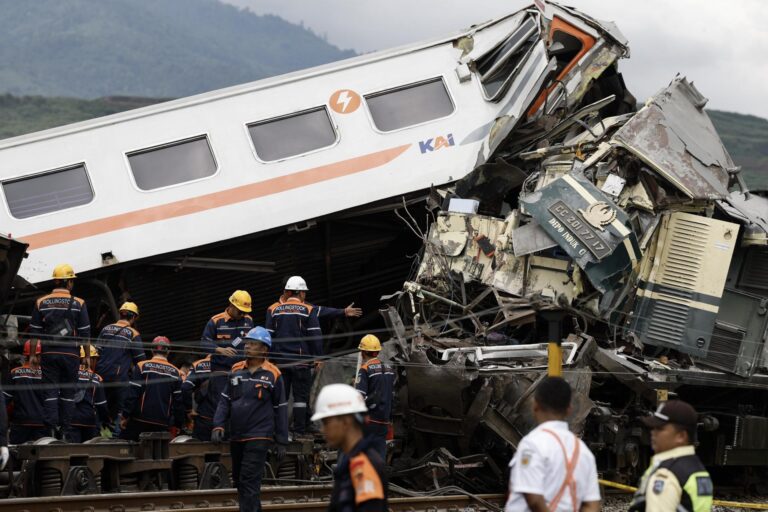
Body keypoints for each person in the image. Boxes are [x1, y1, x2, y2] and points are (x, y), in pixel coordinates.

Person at [212, 327, 288, 512]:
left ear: (264, 349)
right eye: (247, 343)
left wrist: (282, 440)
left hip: (259, 436)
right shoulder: (236, 369)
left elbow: (281, 409)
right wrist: (218, 425)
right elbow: (225, 400)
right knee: (239, 480)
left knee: (248, 480)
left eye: (253, 344)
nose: (247, 347)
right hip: (237, 436)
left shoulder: (273, 374)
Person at [505, 376, 601, 512]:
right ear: (569, 409)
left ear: (535, 405)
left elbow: (534, 498)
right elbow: (592, 505)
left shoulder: (531, 445)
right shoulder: (583, 452)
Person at [28, 263, 91, 439]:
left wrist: (33, 354)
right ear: (69, 283)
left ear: (55, 282)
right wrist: (86, 355)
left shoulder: (41, 302)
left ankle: (50, 429)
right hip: (71, 354)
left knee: (50, 391)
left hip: (49, 354)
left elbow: (34, 332)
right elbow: (85, 332)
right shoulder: (79, 303)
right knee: (68, 393)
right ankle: (64, 430)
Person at [312, 383, 387, 512]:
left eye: (326, 422)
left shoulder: (363, 466)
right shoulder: (351, 462)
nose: (322, 429)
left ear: (346, 422)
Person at [629, 400, 713, 512]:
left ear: (681, 436)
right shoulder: (698, 470)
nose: (653, 432)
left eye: (659, 428)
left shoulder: (665, 474)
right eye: (652, 428)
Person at [265, 276, 321, 435]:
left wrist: (269, 359)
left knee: (280, 398)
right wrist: (318, 357)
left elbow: (269, 336)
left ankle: (278, 431)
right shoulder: (308, 310)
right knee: (300, 400)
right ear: (301, 293)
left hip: (280, 364)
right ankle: (299, 432)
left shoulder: (273, 309)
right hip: (301, 363)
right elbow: (315, 336)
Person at [119, 336, 185, 441]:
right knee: (158, 454)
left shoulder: (141, 366)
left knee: (125, 448)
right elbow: (178, 402)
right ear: (168, 352)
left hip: (139, 420)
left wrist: (125, 415)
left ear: (151, 350)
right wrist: (178, 424)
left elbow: (133, 394)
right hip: (162, 424)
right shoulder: (176, 372)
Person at [94, 301, 146, 433]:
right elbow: (141, 362)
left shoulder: (106, 329)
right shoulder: (133, 334)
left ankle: (94, 437)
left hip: (101, 376)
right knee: (121, 409)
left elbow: (96, 353)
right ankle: (117, 438)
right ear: (133, 317)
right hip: (119, 379)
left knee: (99, 406)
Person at [354, 334, 394, 461]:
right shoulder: (389, 368)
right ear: (377, 351)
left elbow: (359, 397)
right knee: (379, 452)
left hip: (370, 420)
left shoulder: (365, 369)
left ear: (363, 352)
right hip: (384, 420)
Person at [3, 340, 48, 443]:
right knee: (40, 456)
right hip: (41, 424)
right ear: (39, 355)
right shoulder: (48, 375)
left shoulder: (15, 373)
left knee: (17, 455)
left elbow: (5, 400)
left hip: (20, 423)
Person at [68, 345, 109, 443]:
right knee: (90, 453)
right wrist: (106, 421)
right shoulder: (97, 379)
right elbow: (101, 405)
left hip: (70, 420)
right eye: (95, 359)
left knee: (71, 452)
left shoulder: (68, 375)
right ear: (91, 360)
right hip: (90, 422)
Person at [182, 354, 216, 441]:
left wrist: (189, 410)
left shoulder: (198, 365)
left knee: (200, 449)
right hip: (225, 419)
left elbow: (185, 388)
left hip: (203, 417)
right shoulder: (233, 365)